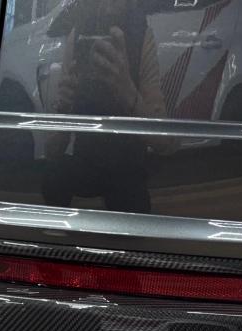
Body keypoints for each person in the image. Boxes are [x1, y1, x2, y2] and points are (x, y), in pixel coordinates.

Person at [42, 0, 169, 213]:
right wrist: (64, 107)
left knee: (133, 199)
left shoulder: (141, 35)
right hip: (87, 162)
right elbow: (52, 152)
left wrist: (125, 88)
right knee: (52, 179)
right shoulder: (79, 35)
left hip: (127, 166)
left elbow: (165, 143)